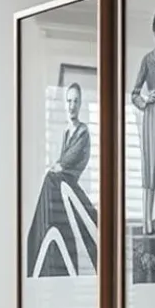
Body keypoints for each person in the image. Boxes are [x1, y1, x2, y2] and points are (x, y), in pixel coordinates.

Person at [26, 81, 97, 278]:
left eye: (75, 101)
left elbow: (69, 159)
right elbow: (60, 161)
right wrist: (58, 166)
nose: (72, 105)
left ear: (80, 103)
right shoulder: (67, 132)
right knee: (50, 182)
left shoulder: (83, 131)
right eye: (69, 101)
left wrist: (59, 166)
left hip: (71, 184)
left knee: (50, 179)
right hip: (63, 183)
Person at [131, 4, 155, 235]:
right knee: (151, 166)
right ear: (154, 29)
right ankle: (146, 222)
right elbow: (134, 94)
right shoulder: (147, 60)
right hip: (153, 119)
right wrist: (145, 100)